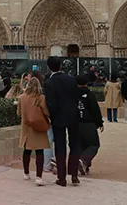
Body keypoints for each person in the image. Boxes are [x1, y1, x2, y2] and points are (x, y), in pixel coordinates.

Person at [44, 56, 80, 187]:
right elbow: (77, 97)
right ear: (61, 66)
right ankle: (74, 175)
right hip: (73, 116)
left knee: (60, 147)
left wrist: (51, 116)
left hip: (58, 118)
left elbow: (51, 104)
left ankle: (62, 178)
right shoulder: (71, 79)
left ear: (49, 67)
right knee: (74, 144)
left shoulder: (49, 83)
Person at [17, 76, 50, 186]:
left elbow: (19, 113)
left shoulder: (22, 97)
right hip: (38, 127)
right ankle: (39, 177)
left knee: (27, 150)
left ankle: (26, 173)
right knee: (40, 151)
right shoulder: (41, 97)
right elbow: (46, 112)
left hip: (26, 127)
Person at [76, 74, 103, 176]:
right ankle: (83, 160)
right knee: (94, 144)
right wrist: (100, 122)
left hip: (75, 123)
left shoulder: (71, 94)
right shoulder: (90, 94)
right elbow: (95, 109)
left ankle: (85, 167)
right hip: (88, 123)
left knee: (80, 145)